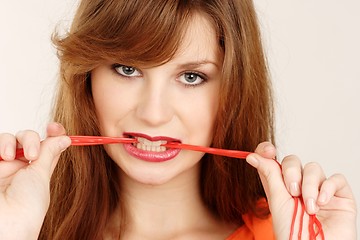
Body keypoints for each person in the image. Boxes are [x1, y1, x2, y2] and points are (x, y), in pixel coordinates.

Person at [0, 0, 357, 239]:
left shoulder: (286, 231)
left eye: (191, 77)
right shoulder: (28, 226)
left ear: (233, 89)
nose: (154, 114)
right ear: (87, 78)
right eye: (128, 69)